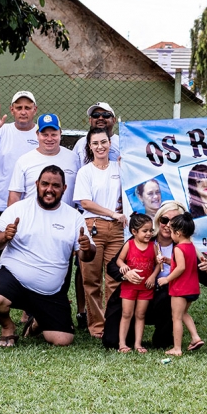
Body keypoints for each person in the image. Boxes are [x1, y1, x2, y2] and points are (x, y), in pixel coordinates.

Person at [0, 166, 96, 347]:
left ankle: (37, 322)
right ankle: (8, 327)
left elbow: (87, 256)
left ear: (64, 189)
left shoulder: (74, 217)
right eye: (45, 184)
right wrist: (4, 236)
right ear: (37, 184)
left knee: (63, 340)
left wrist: (86, 247)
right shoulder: (18, 209)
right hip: (14, 278)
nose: (49, 189)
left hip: (50, 291)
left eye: (55, 185)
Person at [100, 201, 207, 350]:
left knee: (162, 342)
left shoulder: (185, 247)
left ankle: (164, 333)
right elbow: (112, 265)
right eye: (164, 220)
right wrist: (126, 273)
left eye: (174, 222)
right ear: (158, 220)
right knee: (111, 341)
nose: (168, 225)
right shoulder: (142, 238)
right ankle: (131, 333)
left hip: (163, 300)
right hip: (133, 293)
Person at [0, 92, 39, 279]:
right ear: (12, 110)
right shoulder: (2, 131)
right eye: (19, 107)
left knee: (30, 258)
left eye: (28, 107)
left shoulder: (41, 134)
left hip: (33, 208)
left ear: (35, 110)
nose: (23, 111)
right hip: (1, 206)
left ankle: (27, 306)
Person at [73, 127, 127, 339]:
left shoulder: (119, 167)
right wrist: (113, 213)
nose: (100, 146)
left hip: (117, 230)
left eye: (103, 142)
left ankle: (113, 323)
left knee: (115, 277)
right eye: (95, 143)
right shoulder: (85, 171)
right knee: (91, 279)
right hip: (92, 226)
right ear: (89, 146)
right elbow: (85, 202)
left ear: (110, 143)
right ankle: (97, 326)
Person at [157, 213, 205, 356]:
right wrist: (167, 261)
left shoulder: (178, 248)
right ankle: (195, 337)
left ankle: (177, 348)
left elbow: (181, 267)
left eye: (171, 231)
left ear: (177, 233)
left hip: (180, 289)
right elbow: (184, 263)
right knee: (183, 313)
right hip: (192, 288)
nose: (170, 234)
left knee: (176, 317)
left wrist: (167, 279)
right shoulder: (191, 246)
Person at [7, 113, 80, 208]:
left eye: (53, 134)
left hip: (65, 220)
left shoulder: (73, 158)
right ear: (37, 134)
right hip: (32, 219)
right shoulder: (24, 161)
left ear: (60, 133)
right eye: (45, 135)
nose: (49, 139)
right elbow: (14, 196)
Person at [115, 213, 160, 354]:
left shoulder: (154, 246)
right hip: (129, 287)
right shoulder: (129, 244)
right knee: (126, 314)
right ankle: (122, 343)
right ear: (134, 232)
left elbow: (159, 265)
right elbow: (119, 260)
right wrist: (123, 267)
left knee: (140, 315)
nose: (149, 234)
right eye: (145, 231)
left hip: (145, 288)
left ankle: (138, 344)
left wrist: (153, 277)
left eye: (151, 230)